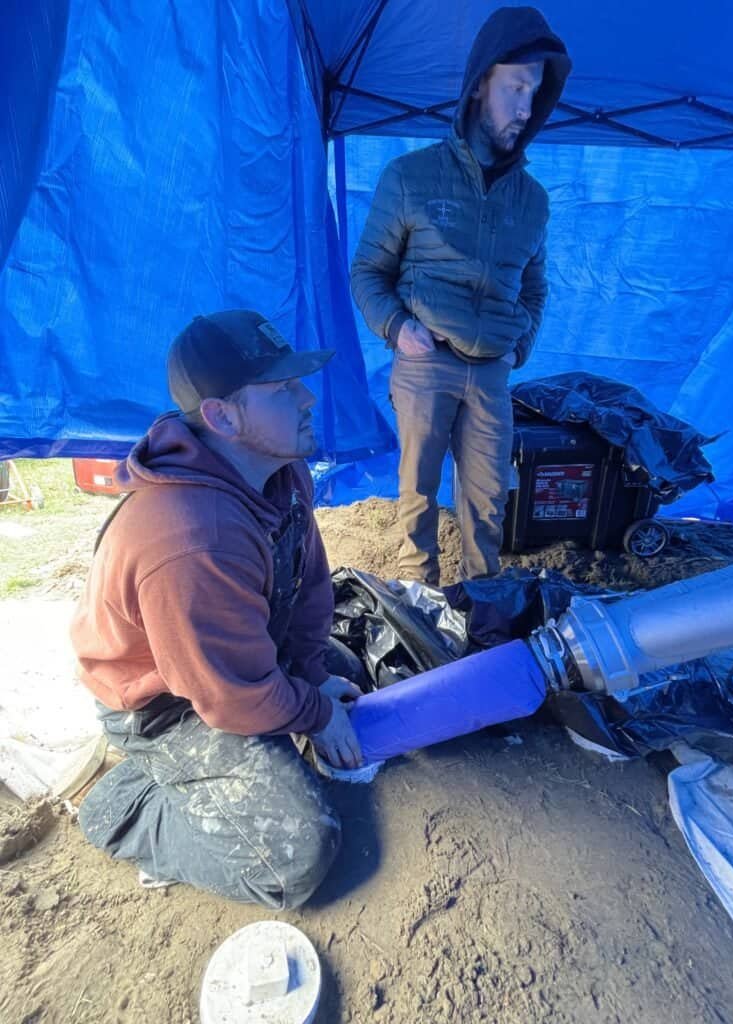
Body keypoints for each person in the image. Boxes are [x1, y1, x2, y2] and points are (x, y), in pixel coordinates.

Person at [70, 309, 365, 908]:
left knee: (347, 675)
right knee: (297, 856)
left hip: (227, 660)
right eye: (282, 389)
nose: (307, 398)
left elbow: (309, 586)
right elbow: (227, 693)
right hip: (165, 704)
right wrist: (310, 713)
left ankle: (257, 741)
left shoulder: (281, 470)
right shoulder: (190, 537)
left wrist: (309, 676)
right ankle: (127, 804)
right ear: (222, 416)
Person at [350, 7, 571, 586]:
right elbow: (368, 271)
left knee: (488, 496)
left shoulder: (535, 200)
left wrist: (519, 345)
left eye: (536, 93)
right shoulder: (410, 177)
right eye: (515, 87)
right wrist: (400, 329)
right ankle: (416, 598)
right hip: (427, 361)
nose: (526, 109)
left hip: (492, 370)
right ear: (480, 86)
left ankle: (485, 604)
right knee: (416, 493)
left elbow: (536, 285)